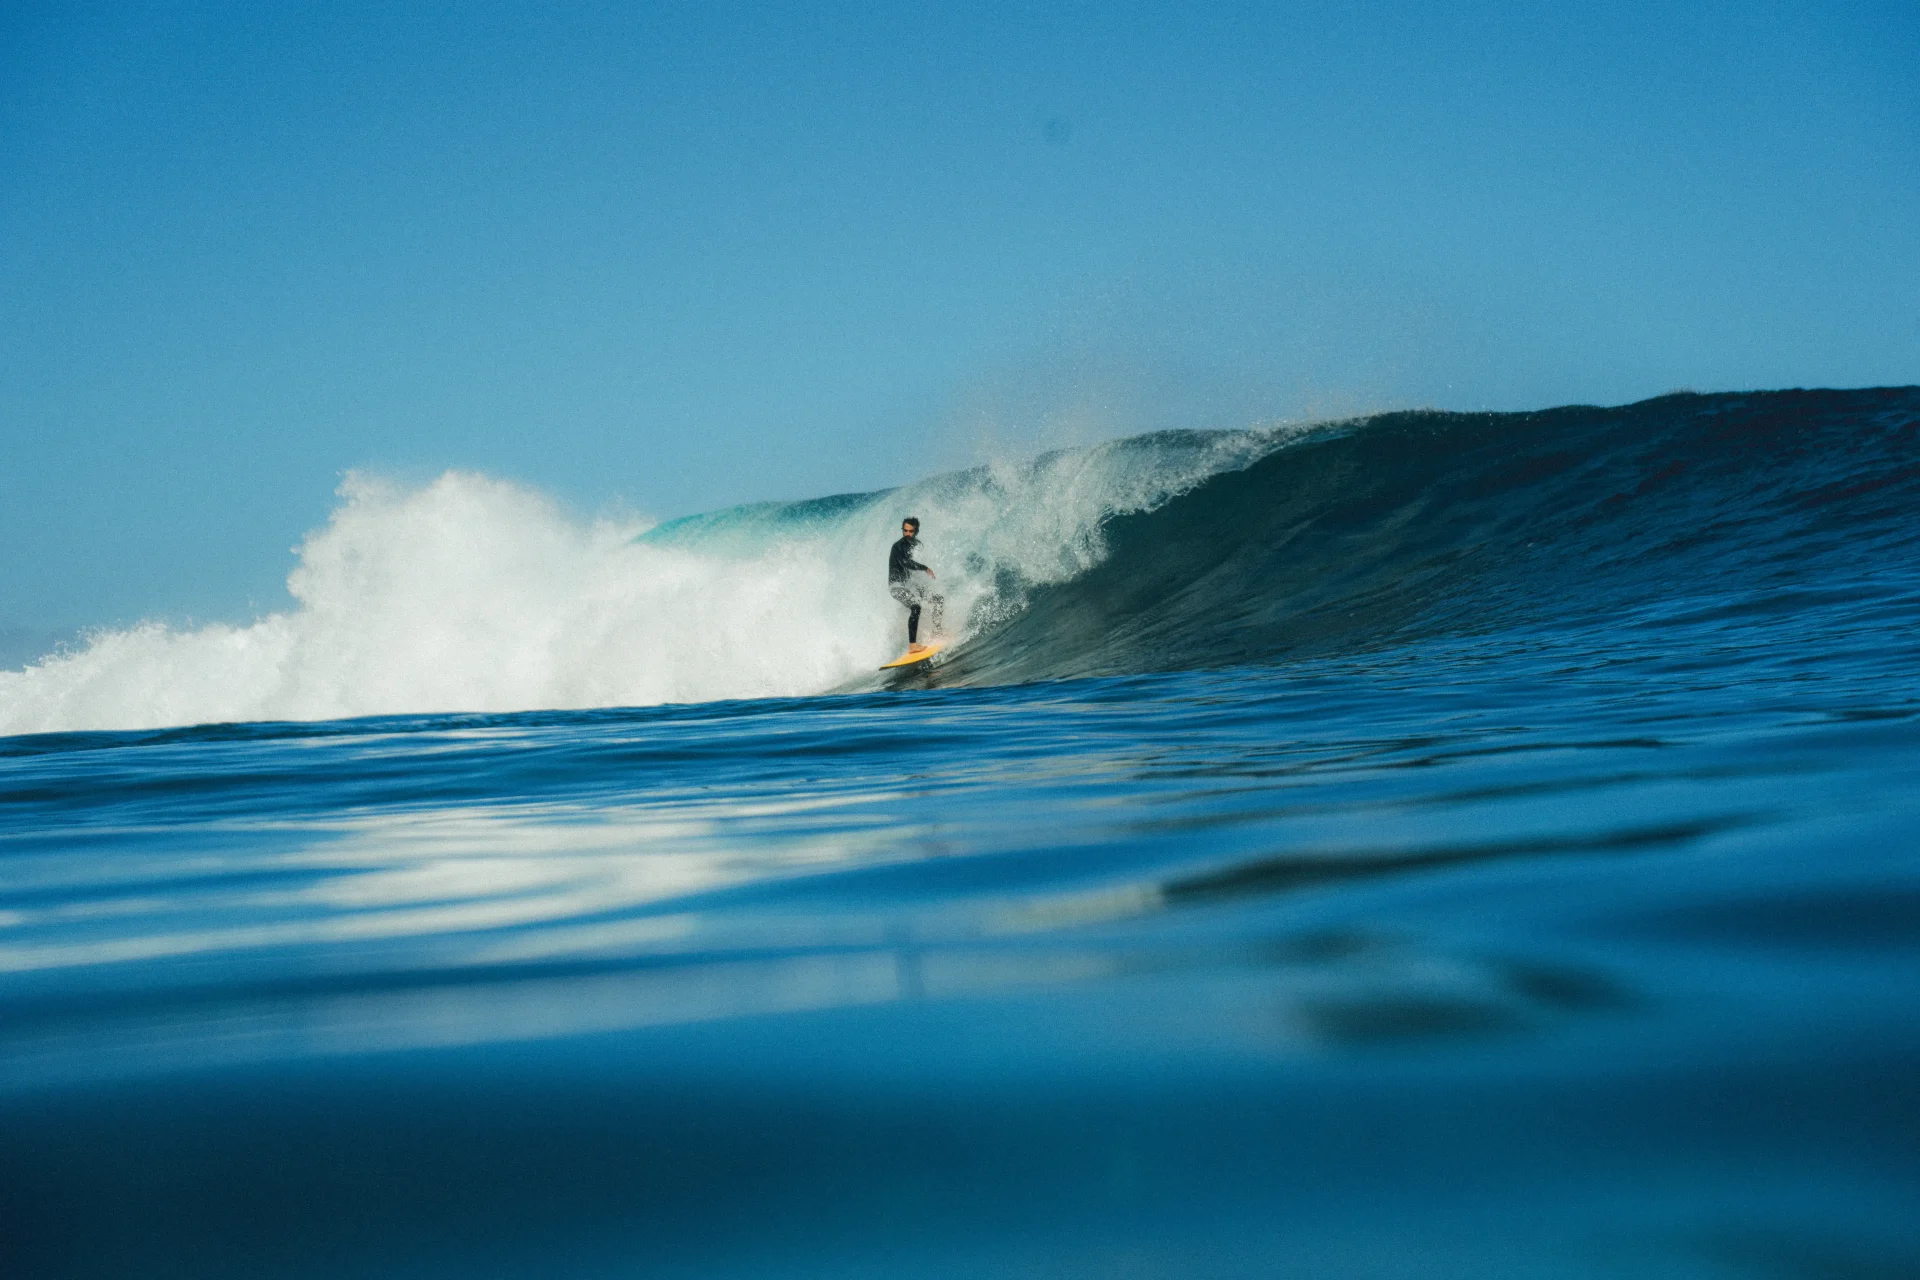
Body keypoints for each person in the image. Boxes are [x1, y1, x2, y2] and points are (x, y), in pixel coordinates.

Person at [888, 516, 945, 651]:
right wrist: (925, 568)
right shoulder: (897, 547)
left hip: (909, 585)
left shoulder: (917, 544)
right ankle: (913, 645)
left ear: (916, 531)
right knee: (916, 607)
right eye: (905, 531)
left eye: (910, 531)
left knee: (938, 600)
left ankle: (937, 632)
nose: (907, 534)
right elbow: (905, 563)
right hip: (896, 586)